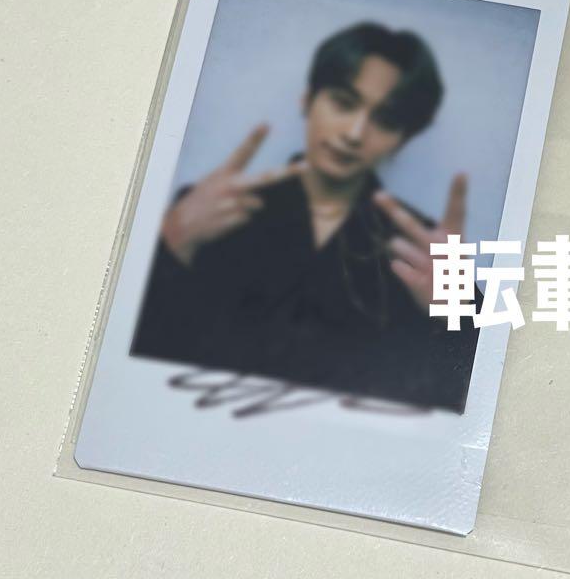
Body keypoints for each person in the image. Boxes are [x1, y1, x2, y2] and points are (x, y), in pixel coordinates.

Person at [130, 22, 480, 413]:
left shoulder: (423, 253)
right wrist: (170, 242)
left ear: (404, 138)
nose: (355, 133)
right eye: (343, 103)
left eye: (384, 120)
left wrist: (458, 313)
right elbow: (132, 363)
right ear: (308, 99)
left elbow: (467, 399)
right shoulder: (206, 212)